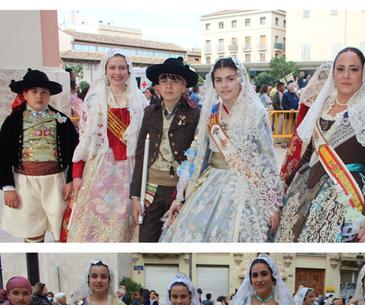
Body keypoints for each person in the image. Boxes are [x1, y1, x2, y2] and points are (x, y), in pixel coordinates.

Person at [276, 47, 365, 243]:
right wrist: (286, 183)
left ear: (363, 73)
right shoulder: (323, 104)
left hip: (351, 196)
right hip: (307, 189)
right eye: (340, 69)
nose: (346, 75)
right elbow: (310, 153)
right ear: (333, 73)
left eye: (353, 69)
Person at [160, 57, 284, 242]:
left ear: (240, 79)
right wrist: (180, 195)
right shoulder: (211, 112)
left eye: (230, 78)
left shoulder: (256, 112)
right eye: (219, 80)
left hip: (245, 185)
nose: (224, 85)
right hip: (212, 181)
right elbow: (197, 154)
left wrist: (271, 204)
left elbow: (267, 159)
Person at [67, 52, 148, 242]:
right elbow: (85, 140)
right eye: (112, 68)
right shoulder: (94, 100)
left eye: (122, 67)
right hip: (99, 167)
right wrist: (77, 175)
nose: (117, 72)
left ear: (129, 71)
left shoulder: (140, 101)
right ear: (105, 70)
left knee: (125, 217)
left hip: (129, 168)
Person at [0, 69, 79, 242]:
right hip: (25, 183)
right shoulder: (13, 121)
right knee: (32, 228)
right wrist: (8, 187)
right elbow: (3, 154)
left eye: (44, 92)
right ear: (25, 94)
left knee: (63, 228)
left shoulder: (61, 120)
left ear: (50, 95)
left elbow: (75, 150)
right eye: (34, 91)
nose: (39, 96)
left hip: (56, 181)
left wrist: (70, 180)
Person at [130, 57, 200, 242]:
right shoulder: (149, 113)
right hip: (151, 188)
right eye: (164, 80)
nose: (169, 85)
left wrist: (188, 191)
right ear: (157, 86)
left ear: (184, 87)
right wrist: (136, 195)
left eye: (175, 80)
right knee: (146, 238)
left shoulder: (195, 114)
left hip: (178, 189)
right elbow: (140, 154)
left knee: (176, 239)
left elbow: (198, 156)